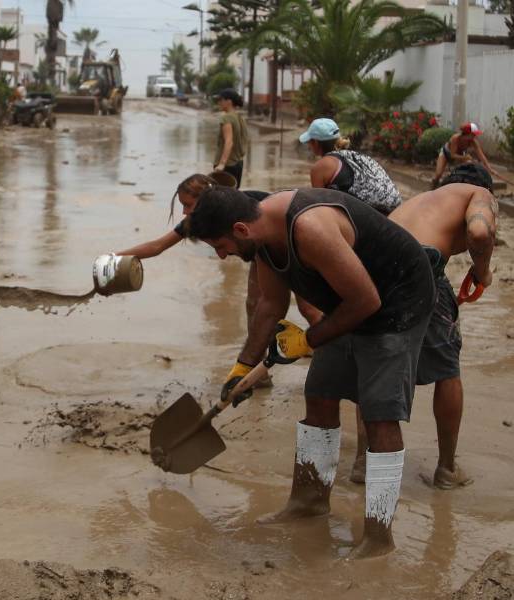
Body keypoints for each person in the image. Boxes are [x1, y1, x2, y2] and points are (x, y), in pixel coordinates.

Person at [187, 186, 433, 559]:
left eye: (220, 246)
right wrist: (243, 366)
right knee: (319, 392)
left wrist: (308, 340)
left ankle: (378, 536)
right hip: (347, 302)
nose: (222, 256)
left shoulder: (309, 227)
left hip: (397, 302)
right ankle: (309, 502)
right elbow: (270, 303)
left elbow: (367, 301)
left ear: (240, 230)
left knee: (380, 411)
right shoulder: (263, 239)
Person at [344, 183, 497, 490]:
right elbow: (480, 233)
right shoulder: (480, 194)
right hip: (419, 267)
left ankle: (364, 460)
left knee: (375, 365)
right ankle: (446, 468)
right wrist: (483, 272)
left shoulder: (425, 200)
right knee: (447, 369)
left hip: (373, 270)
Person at [118, 175, 321, 328]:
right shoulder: (201, 220)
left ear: (205, 199)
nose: (185, 212)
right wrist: (115, 257)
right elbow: (157, 246)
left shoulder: (235, 206)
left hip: (286, 244)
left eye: (188, 205)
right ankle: (258, 368)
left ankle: (334, 350)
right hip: (262, 253)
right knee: (254, 304)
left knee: (307, 307)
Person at [299, 117, 402, 214]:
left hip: (371, 217)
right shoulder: (354, 156)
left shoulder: (320, 167)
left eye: (309, 142)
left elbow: (320, 207)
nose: (309, 146)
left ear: (316, 143)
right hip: (394, 208)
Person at [432, 122, 512, 189]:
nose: (474, 136)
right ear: (466, 134)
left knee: (469, 165)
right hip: (446, 154)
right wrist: (465, 157)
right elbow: (452, 155)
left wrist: (489, 168)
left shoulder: (473, 141)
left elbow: (481, 155)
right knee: (438, 174)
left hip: (460, 156)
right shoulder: (455, 138)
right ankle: (433, 188)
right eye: (473, 134)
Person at [212, 89, 248, 188]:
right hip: (238, 163)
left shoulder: (226, 118)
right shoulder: (239, 117)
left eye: (221, 100)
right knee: (234, 196)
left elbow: (229, 142)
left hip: (227, 165)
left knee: (221, 198)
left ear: (229, 102)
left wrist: (222, 164)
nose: (219, 102)